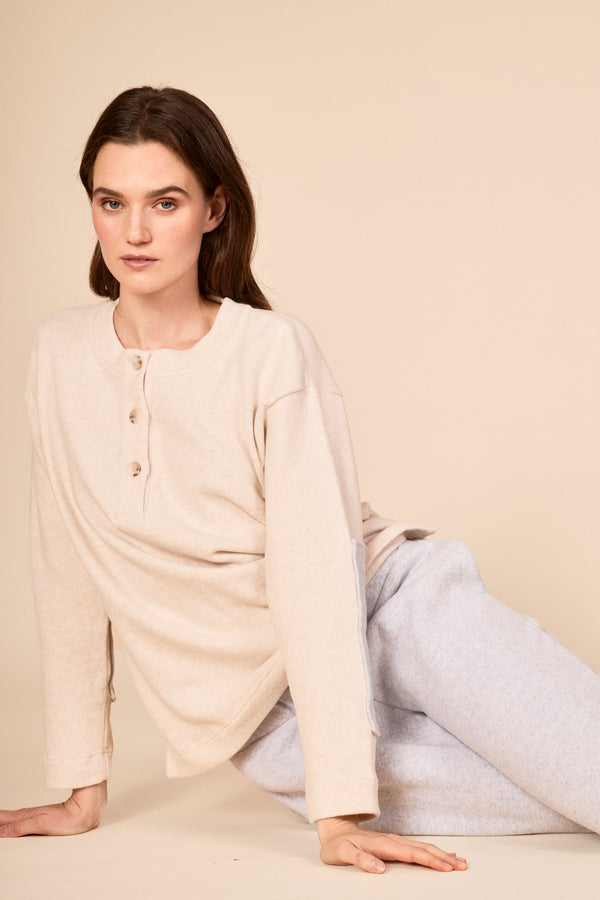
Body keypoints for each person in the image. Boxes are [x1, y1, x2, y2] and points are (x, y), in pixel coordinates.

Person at [0, 86, 598, 875]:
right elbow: (68, 573)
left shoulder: (270, 351)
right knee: (565, 801)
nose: (135, 232)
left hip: (393, 616)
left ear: (213, 209)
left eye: (165, 202)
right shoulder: (59, 356)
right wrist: (81, 788)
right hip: (267, 726)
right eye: (112, 202)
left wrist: (338, 813)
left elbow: (315, 572)